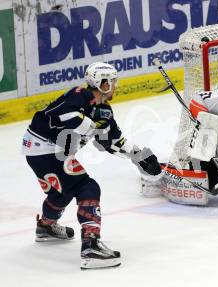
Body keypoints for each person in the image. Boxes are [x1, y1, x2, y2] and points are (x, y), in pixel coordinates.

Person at [21, 62, 162, 269]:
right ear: (102, 83)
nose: (115, 86)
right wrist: (92, 127)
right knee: (87, 187)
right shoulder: (79, 95)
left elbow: (113, 140)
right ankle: (91, 246)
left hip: (47, 151)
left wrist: (139, 156)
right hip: (44, 148)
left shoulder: (104, 110)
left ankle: (46, 226)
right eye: (112, 82)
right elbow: (64, 115)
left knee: (63, 192)